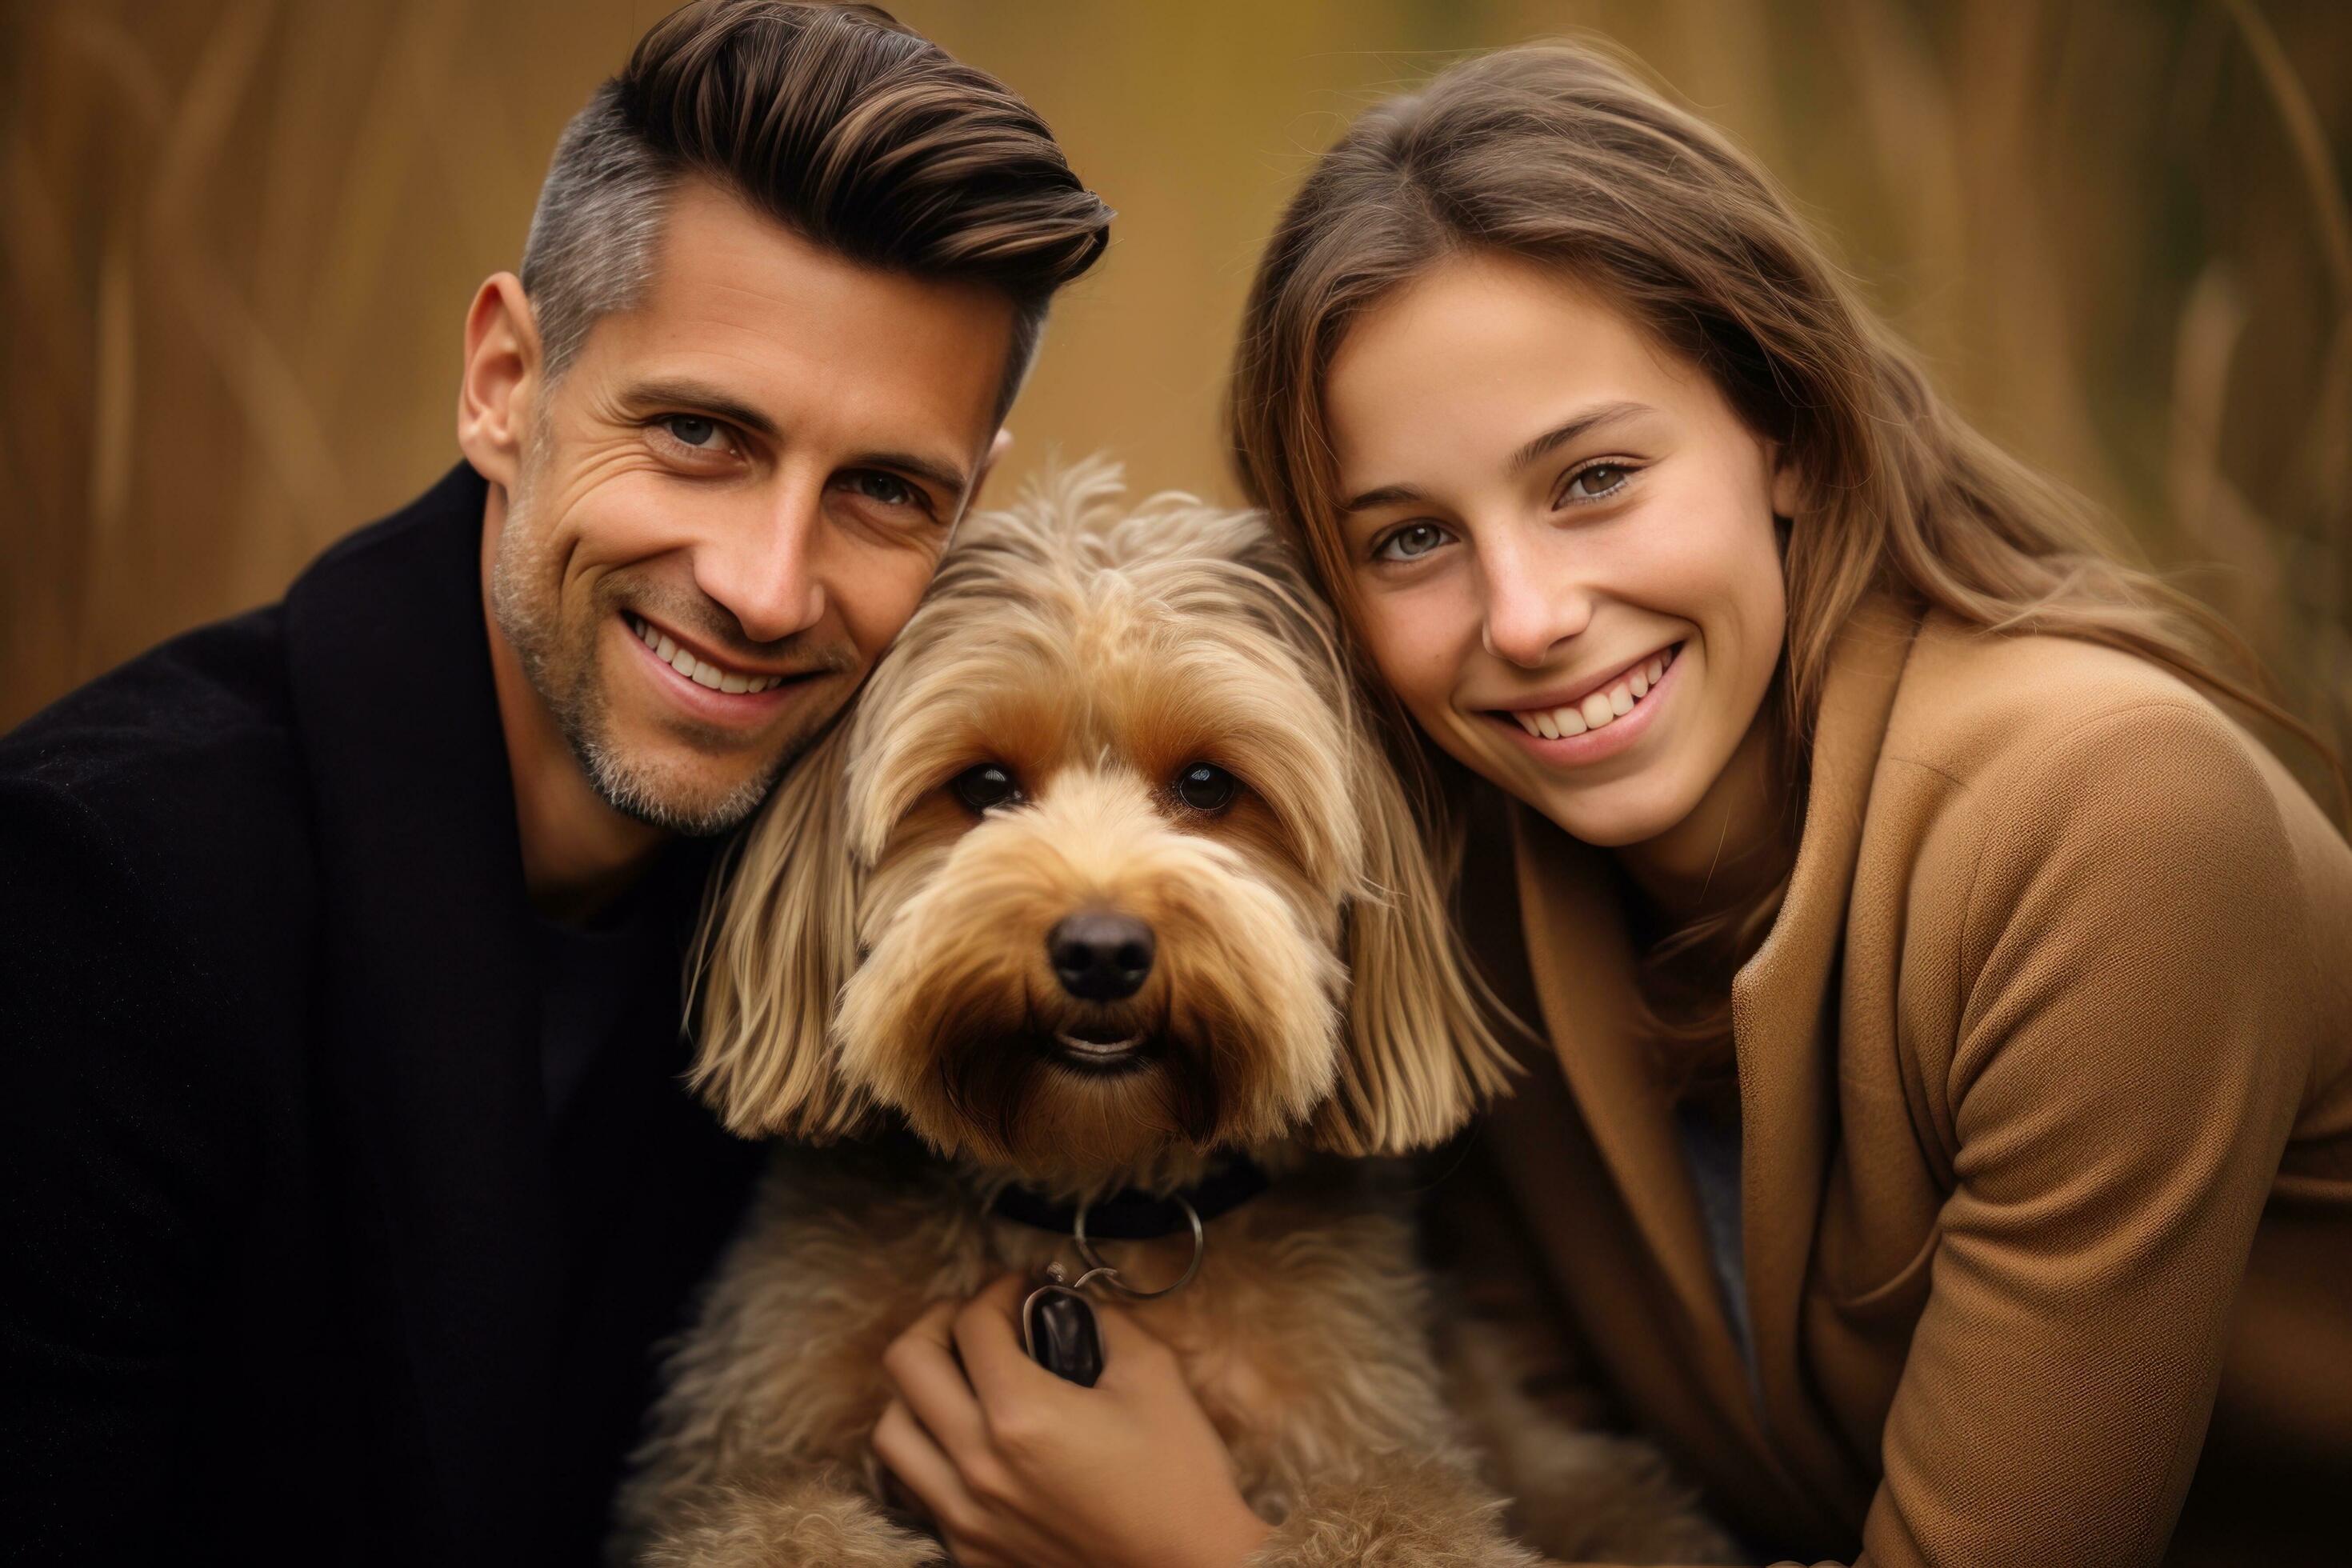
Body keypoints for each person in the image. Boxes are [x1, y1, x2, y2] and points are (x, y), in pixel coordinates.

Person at [866, 39, 2352, 1568]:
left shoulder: (2108, 820)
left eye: (1592, 480)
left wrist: (1202, 1554)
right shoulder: (1462, 878)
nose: (1527, 616)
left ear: (1782, 423)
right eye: (1410, 538)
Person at [0, 3, 1108, 1562]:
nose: (770, 585)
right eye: (701, 433)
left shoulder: (895, 895)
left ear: (970, 505)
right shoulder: (99, 890)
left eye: (881, 489)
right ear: (506, 381)